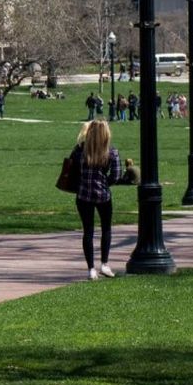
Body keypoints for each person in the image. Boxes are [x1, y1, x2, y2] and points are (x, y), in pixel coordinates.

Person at [70, 120, 128, 280]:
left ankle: (91, 268)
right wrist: (104, 183)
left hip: (83, 195)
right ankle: (104, 263)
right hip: (103, 195)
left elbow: (72, 170)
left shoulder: (80, 151)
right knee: (106, 229)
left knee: (88, 231)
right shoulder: (111, 152)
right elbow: (116, 176)